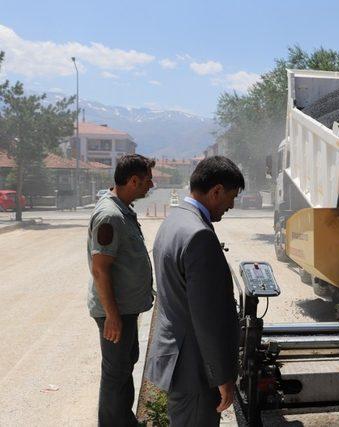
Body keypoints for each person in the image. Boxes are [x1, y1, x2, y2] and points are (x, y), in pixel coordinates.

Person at [147, 156, 244, 426]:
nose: (232, 205)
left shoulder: (174, 221)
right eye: (231, 197)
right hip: (196, 370)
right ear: (216, 191)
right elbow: (207, 318)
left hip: (176, 359)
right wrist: (222, 375)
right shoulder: (199, 235)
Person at [87, 154, 156, 426]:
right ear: (133, 180)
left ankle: (124, 421)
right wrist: (112, 316)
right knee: (116, 375)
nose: (150, 186)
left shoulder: (122, 208)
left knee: (125, 368)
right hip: (115, 312)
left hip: (125, 309)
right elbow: (100, 269)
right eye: (147, 181)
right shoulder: (110, 215)